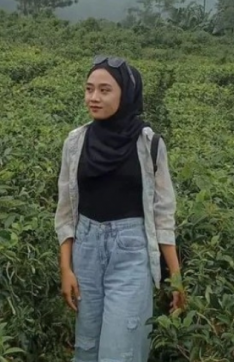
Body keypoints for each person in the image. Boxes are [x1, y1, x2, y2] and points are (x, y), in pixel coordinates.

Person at [55, 55, 185, 362]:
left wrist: (176, 276)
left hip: (131, 254)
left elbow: (163, 214)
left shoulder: (149, 143)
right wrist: (66, 268)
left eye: (104, 90)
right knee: (86, 344)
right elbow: (65, 211)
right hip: (85, 252)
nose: (94, 98)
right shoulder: (75, 142)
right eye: (89, 89)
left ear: (125, 93)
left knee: (121, 349)